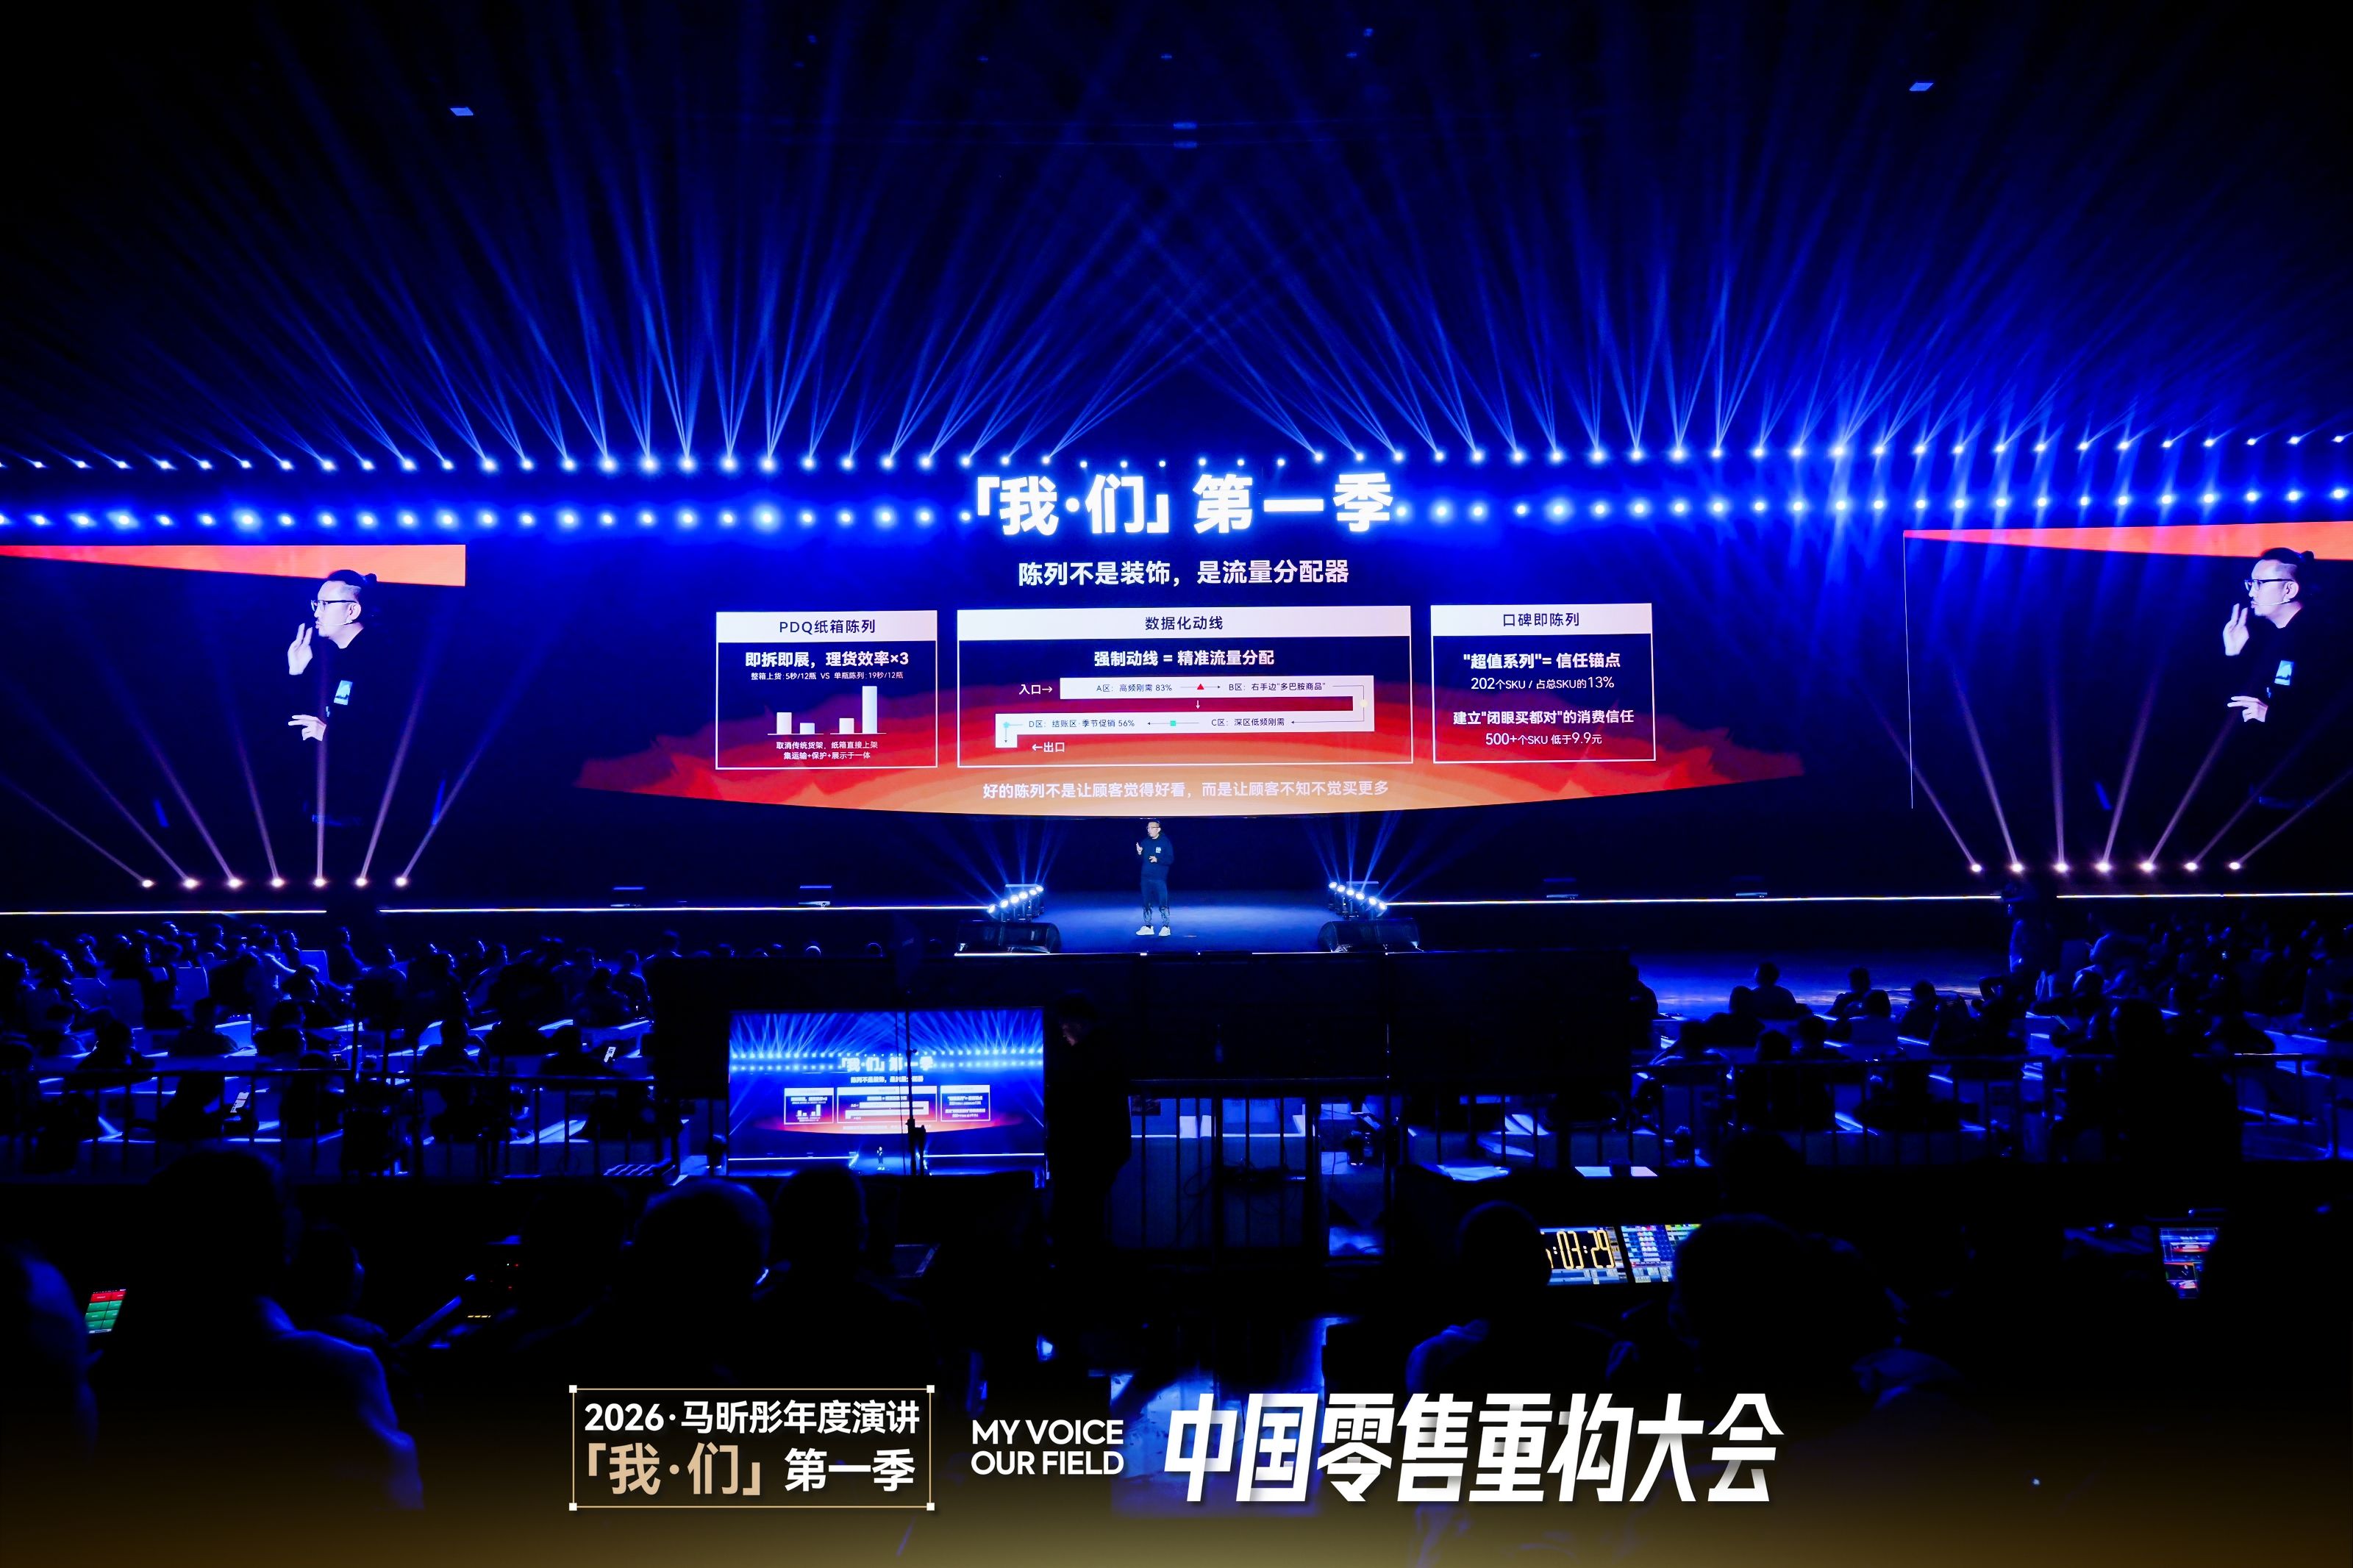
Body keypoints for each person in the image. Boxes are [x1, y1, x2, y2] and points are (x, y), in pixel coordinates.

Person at [2223, 547, 2338, 814]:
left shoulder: (2322, 639)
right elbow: (2241, 706)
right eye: (2250, 583)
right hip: (2272, 787)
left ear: (2289, 589)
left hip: (2308, 795)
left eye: (2260, 583)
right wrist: (2235, 654)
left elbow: (2330, 715)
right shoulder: (2272, 638)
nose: (2251, 592)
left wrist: (2271, 715)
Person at [1135, 819, 1174, 937]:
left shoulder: (1165, 842)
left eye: (1152, 828)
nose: (1149, 830)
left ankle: (1166, 927)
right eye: (1148, 828)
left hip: (1159, 879)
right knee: (1146, 903)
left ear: (1158, 829)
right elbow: (1139, 861)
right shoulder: (1145, 842)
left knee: (1163, 903)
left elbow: (1170, 859)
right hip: (1145, 878)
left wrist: (1158, 859)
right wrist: (1139, 853)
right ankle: (1148, 926)